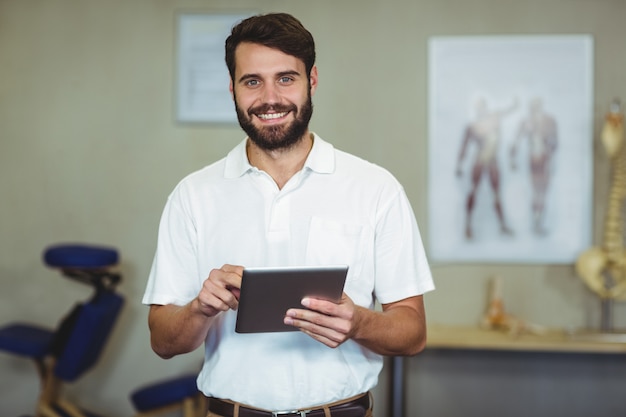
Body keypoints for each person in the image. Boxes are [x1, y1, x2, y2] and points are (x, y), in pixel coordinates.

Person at [142, 13, 434, 417]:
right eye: (252, 81)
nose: (270, 98)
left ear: (311, 81)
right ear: (232, 89)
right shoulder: (192, 196)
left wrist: (358, 323)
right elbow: (162, 341)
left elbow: (413, 333)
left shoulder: (376, 188)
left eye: (285, 78)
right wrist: (199, 309)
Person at [456, 97, 517, 239]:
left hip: (492, 162)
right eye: (478, 107)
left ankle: (502, 225)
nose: (480, 109)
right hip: (479, 161)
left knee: (496, 194)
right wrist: (459, 165)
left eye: (482, 106)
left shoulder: (493, 119)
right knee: (473, 191)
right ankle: (468, 225)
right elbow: (464, 147)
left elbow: (506, 111)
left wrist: (514, 105)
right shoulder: (473, 127)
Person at [509, 97, 558, 235]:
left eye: (537, 105)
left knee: (542, 192)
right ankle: (536, 223)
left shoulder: (549, 121)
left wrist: (550, 154)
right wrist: (512, 158)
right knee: (537, 192)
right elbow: (516, 140)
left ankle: (539, 222)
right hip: (534, 161)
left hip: (545, 160)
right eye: (532, 106)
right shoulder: (526, 122)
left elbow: (555, 142)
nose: (534, 108)